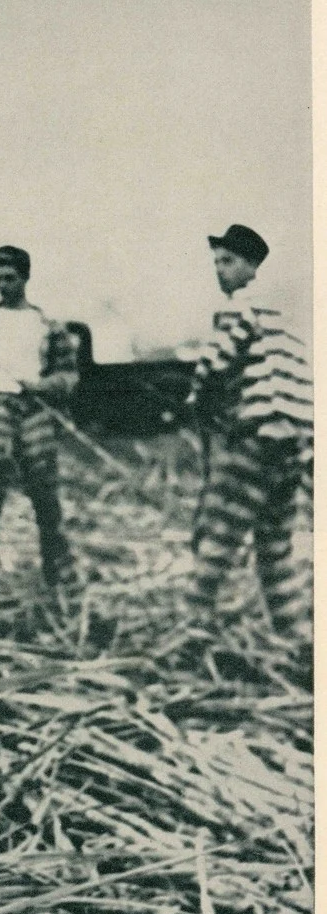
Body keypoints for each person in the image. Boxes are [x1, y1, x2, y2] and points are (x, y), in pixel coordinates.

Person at [184, 224, 313, 656]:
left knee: (218, 532)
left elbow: (214, 363)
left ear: (252, 266)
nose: (220, 270)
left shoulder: (242, 306)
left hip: (258, 437)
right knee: (274, 545)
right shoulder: (284, 317)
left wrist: (198, 402)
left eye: (229, 261)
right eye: (217, 262)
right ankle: (297, 635)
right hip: (294, 442)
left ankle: (193, 626)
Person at [0, 245, 79, 604]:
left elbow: (69, 376)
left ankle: (60, 579)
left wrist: (43, 385)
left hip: (34, 409)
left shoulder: (48, 326)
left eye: (10, 278)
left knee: (45, 494)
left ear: (25, 278)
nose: (3, 284)